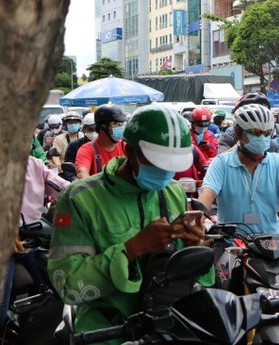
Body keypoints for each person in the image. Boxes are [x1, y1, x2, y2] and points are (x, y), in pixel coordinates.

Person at [48, 105, 212, 337]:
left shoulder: (173, 191)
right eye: (157, 162)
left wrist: (193, 247)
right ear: (128, 149)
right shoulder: (80, 199)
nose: (165, 172)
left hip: (166, 326)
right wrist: (133, 248)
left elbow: (193, 277)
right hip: (106, 333)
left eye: (171, 166)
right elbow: (67, 285)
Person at [198, 103, 279, 234]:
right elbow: (208, 194)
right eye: (256, 132)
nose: (262, 138)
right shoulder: (221, 163)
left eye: (267, 133)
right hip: (231, 242)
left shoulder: (278, 163)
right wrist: (197, 221)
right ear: (238, 132)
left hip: (272, 241)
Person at [75, 104, 126, 179]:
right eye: (115, 124)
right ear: (102, 127)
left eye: (120, 124)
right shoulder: (87, 150)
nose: (119, 127)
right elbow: (82, 172)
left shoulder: (125, 146)